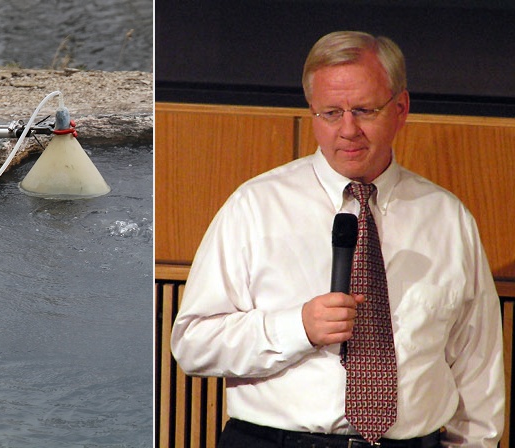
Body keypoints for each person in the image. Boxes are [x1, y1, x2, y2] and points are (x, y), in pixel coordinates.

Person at [169, 31, 506, 447]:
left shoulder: (448, 218)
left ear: (401, 108)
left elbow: (478, 364)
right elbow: (193, 345)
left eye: (364, 110)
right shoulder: (255, 206)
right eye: (330, 113)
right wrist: (298, 327)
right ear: (312, 112)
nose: (348, 130)